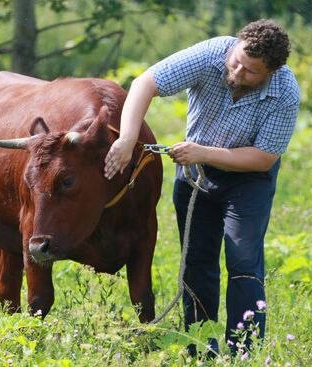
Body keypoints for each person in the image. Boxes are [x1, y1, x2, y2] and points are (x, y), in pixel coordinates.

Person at [104, 19, 299, 356]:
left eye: (251, 72)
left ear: (271, 72)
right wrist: (127, 138)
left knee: (242, 258)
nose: (237, 73)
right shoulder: (211, 54)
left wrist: (203, 152)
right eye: (236, 62)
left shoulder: (285, 93)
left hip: (248, 179)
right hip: (195, 176)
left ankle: (245, 349)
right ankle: (200, 346)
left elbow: (264, 158)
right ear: (234, 46)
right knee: (197, 259)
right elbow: (144, 83)